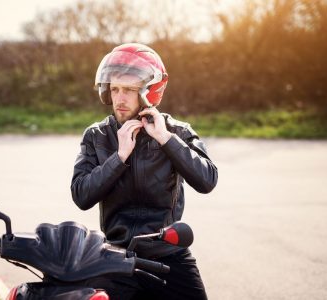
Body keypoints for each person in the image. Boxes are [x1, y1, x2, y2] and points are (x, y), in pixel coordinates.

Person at [71, 43, 218, 300]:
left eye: (129, 89)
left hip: (168, 252)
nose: (120, 98)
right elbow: (81, 196)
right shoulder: (97, 135)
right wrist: (118, 158)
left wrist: (165, 139)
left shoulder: (177, 131)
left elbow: (207, 180)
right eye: (114, 89)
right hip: (114, 255)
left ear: (150, 92)